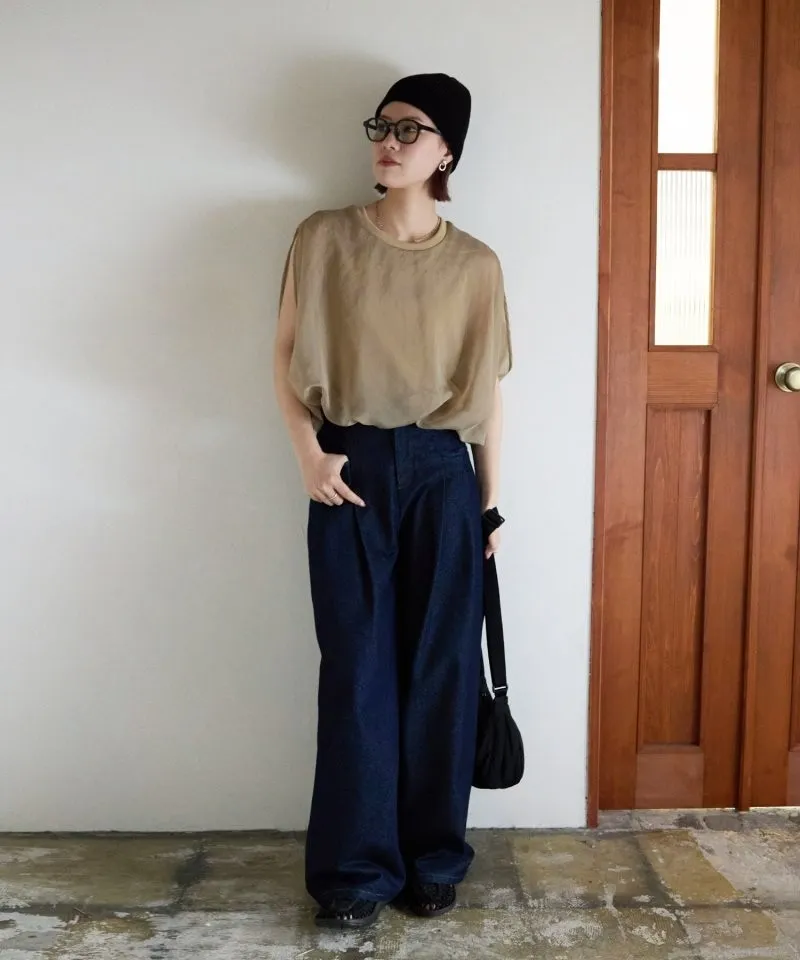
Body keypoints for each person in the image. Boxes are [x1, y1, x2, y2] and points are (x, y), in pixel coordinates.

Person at [273, 72, 512, 930]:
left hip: (444, 474)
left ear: (448, 152)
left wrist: (488, 505)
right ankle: (353, 872)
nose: (389, 142)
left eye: (412, 130)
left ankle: (433, 860)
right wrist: (308, 454)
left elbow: (487, 396)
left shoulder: (476, 264)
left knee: (443, 672)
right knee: (357, 671)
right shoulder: (323, 237)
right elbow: (285, 355)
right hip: (351, 469)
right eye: (382, 126)